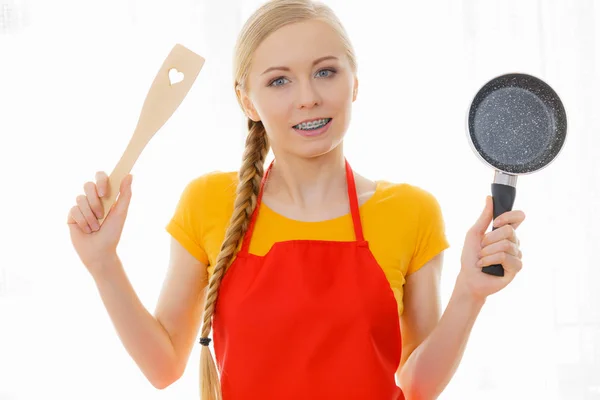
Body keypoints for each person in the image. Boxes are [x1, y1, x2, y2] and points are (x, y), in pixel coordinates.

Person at [66, 0, 526, 399]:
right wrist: (103, 263)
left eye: (325, 72)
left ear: (355, 84)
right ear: (247, 101)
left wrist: (470, 293)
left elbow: (417, 385)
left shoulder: (411, 211)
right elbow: (163, 366)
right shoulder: (208, 202)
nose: (308, 98)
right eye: (279, 81)